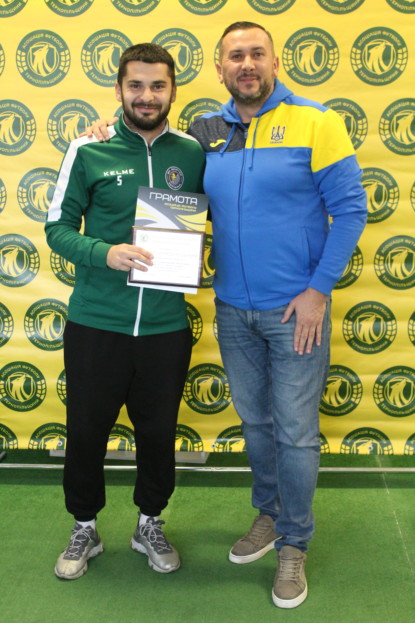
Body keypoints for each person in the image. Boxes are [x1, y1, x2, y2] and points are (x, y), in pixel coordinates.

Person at [87, 22, 367, 609]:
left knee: (295, 432)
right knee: (258, 425)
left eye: (257, 53)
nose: (247, 64)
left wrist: (318, 291)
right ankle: (268, 514)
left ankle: (294, 543)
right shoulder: (205, 133)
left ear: (274, 62)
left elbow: (351, 211)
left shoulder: (318, 121)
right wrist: (104, 128)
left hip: (297, 311)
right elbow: (155, 157)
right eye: (235, 55)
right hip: (233, 309)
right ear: (219, 68)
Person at [45, 43, 205, 581]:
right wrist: (104, 253)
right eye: (135, 85)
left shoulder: (193, 151)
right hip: (97, 323)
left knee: (158, 435)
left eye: (157, 85)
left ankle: (149, 523)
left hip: (165, 327)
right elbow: (57, 229)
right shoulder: (88, 149)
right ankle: (84, 527)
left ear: (172, 90)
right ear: (119, 89)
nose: (146, 96)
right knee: (86, 433)